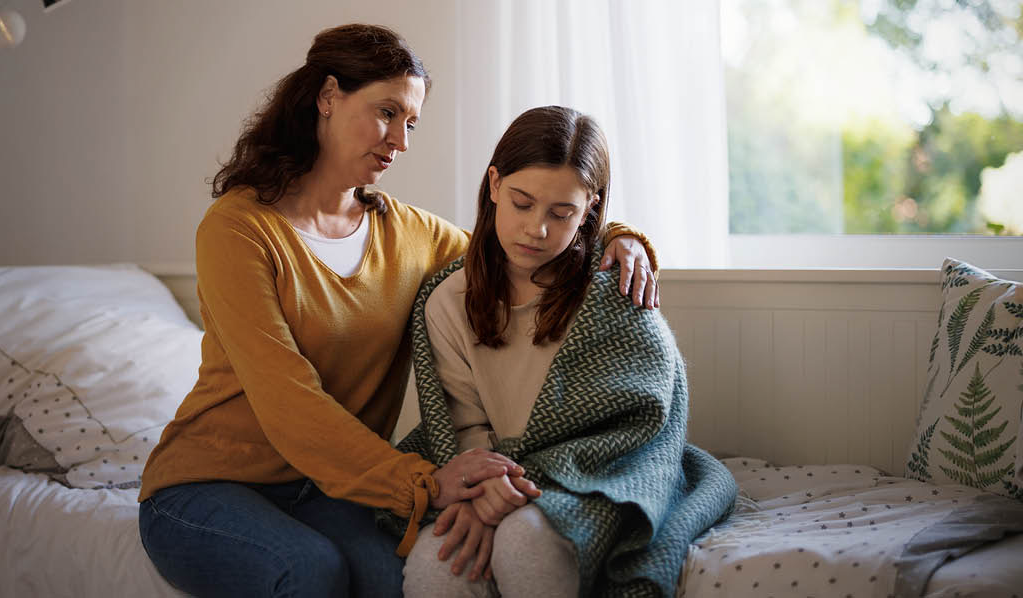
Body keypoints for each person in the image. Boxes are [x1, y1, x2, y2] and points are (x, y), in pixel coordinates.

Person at [137, 25, 660, 598]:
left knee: (402, 581)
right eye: (387, 113)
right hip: (207, 485)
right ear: (327, 97)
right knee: (311, 571)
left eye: (411, 123)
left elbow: (520, 240)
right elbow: (287, 398)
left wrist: (617, 234)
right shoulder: (238, 230)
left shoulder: (409, 234)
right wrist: (424, 482)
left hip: (329, 489)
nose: (401, 141)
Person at [398, 106, 737, 597]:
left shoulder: (613, 289)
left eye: (561, 214)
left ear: (590, 210)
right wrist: (485, 489)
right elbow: (460, 424)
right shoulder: (448, 300)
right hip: (493, 474)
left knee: (524, 540)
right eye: (522, 203)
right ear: (494, 184)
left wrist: (520, 488)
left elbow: (640, 419)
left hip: (597, 475)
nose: (536, 229)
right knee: (436, 562)